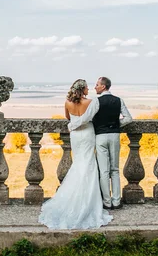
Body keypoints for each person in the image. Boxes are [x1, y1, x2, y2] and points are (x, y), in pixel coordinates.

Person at [38, 79, 113, 229]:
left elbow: (68, 117)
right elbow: (89, 119)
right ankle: (87, 201)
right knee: (88, 164)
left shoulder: (67, 102)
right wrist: (76, 123)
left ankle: (72, 198)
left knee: (79, 163)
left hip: (76, 136)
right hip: (87, 134)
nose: (88, 89)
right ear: (82, 89)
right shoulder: (92, 102)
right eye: (86, 87)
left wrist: (72, 125)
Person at [68, 76, 132, 210]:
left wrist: (72, 125)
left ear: (103, 86)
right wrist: (115, 124)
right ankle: (116, 201)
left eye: (97, 85)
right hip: (114, 135)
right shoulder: (118, 100)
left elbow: (86, 118)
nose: (95, 87)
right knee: (115, 169)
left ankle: (107, 202)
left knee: (104, 171)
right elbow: (128, 118)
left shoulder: (96, 101)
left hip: (101, 137)